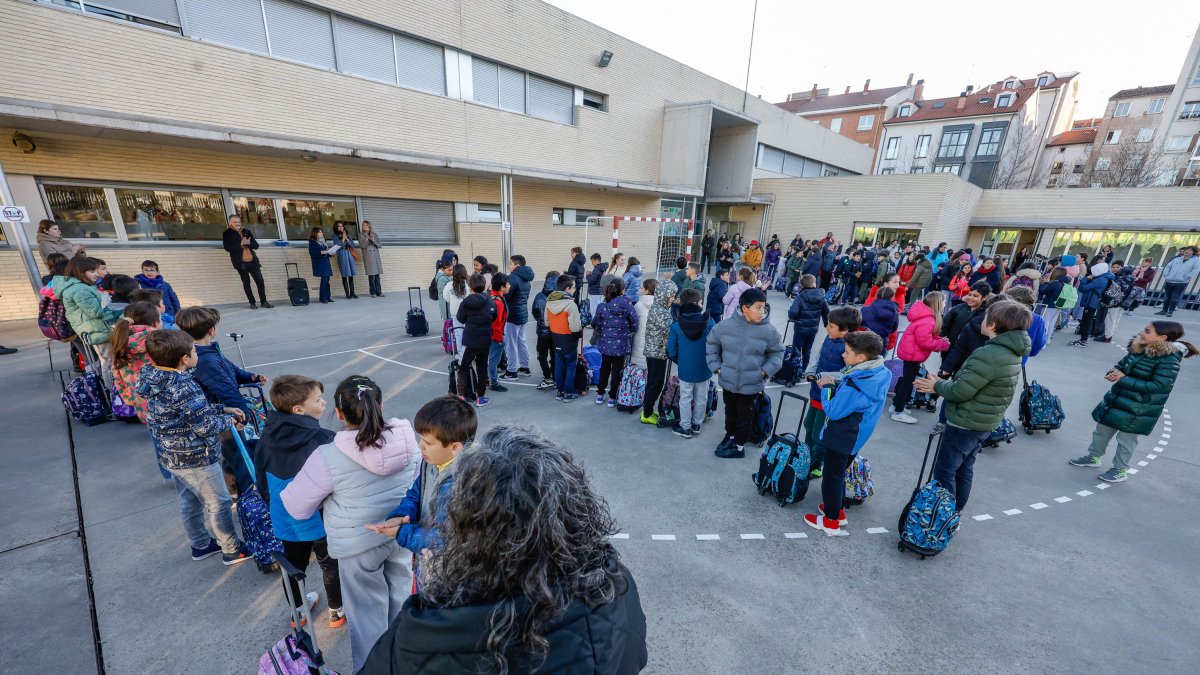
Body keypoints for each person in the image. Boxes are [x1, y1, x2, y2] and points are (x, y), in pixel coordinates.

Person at [361, 424, 648, 674]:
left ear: (468, 533)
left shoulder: (426, 632)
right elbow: (635, 654)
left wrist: (429, 573)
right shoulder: (615, 586)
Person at [280, 375, 419, 672]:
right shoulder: (409, 440)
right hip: (402, 535)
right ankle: (405, 661)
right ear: (379, 405)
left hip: (358, 545)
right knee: (402, 603)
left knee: (368, 617)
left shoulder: (328, 455)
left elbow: (296, 506)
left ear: (339, 412)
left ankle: (373, 669)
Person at [136, 329, 251, 566]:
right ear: (184, 359)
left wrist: (223, 409)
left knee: (189, 501)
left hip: (173, 455)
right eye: (193, 350)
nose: (197, 353)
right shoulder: (182, 386)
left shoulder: (157, 377)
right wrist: (229, 421)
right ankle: (232, 549)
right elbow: (204, 425)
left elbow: (189, 412)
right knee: (218, 503)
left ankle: (200, 544)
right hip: (197, 457)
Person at [915, 301, 1032, 513]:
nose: (981, 319)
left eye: (985, 316)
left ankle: (942, 517)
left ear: (994, 325)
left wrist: (937, 385)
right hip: (983, 421)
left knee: (945, 471)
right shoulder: (1011, 351)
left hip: (965, 422)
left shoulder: (989, 355)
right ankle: (954, 512)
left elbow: (961, 391)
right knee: (964, 469)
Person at [254, 375, 344, 628]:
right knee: (330, 564)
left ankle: (299, 611)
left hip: (286, 519)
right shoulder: (324, 440)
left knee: (293, 566)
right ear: (298, 409)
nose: (324, 403)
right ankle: (336, 610)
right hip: (320, 518)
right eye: (318, 400)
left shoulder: (266, 438)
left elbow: (260, 479)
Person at [366, 395, 476, 589]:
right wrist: (402, 516)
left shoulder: (462, 484)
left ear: (455, 448)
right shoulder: (433, 462)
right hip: (428, 560)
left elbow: (444, 538)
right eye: (420, 439)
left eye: (428, 442)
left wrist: (402, 532)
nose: (420, 446)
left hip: (451, 573)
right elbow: (416, 492)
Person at [1070, 321, 1198, 483]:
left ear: (1162, 337)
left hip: (1140, 409)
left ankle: (1120, 470)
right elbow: (1121, 366)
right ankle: (1093, 457)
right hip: (1117, 400)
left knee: (1126, 440)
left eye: (1147, 331)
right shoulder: (1138, 348)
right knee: (1101, 431)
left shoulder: (1169, 359)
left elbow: (1160, 385)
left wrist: (1124, 380)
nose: (1142, 333)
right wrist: (1113, 373)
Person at [804, 331, 889, 536]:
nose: (843, 355)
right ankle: (838, 510)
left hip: (842, 435)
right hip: (858, 434)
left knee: (831, 477)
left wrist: (826, 387)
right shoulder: (881, 372)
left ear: (861, 358)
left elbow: (833, 410)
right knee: (839, 472)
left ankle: (831, 521)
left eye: (848, 352)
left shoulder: (854, 385)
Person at [175, 306, 267, 491]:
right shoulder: (206, 360)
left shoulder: (208, 351)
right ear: (211, 330)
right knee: (235, 454)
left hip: (224, 411)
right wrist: (244, 416)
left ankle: (236, 486)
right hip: (224, 414)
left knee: (233, 453)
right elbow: (227, 391)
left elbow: (230, 369)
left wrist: (250, 377)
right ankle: (239, 490)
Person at [707, 289, 784, 458]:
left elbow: (778, 354)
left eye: (764, 308)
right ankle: (731, 436)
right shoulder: (724, 326)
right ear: (744, 308)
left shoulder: (769, 331)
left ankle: (739, 447)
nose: (762, 312)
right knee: (730, 412)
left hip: (751, 384)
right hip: (728, 381)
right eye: (758, 308)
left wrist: (763, 372)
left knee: (745, 415)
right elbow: (712, 345)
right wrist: (718, 368)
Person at [53, 256, 122, 384]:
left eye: (96, 271)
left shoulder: (81, 286)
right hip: (97, 331)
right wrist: (115, 308)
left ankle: (112, 391)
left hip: (96, 329)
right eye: (92, 271)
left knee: (107, 361)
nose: (96, 274)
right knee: (108, 363)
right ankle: (112, 393)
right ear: (79, 272)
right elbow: (95, 312)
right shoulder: (79, 289)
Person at [891, 293, 950, 425]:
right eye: (944, 302)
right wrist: (943, 344)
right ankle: (898, 411)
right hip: (913, 355)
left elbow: (927, 338)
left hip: (912, 353)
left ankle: (896, 405)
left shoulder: (925, 317)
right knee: (907, 383)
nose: (946, 304)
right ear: (938, 303)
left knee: (906, 380)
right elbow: (925, 342)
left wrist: (940, 340)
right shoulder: (929, 320)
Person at [667, 287, 715, 438]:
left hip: (686, 367)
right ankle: (696, 424)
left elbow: (671, 349)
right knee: (702, 397)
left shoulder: (676, 326)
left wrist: (680, 360)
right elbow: (715, 345)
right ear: (697, 303)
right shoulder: (710, 322)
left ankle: (685, 426)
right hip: (705, 366)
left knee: (685, 397)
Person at [109, 302, 161, 423]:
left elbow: (117, 376)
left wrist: (130, 398)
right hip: (167, 404)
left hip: (141, 407)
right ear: (155, 323)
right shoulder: (160, 341)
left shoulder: (120, 341)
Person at [592, 279, 638, 407]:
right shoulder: (627, 305)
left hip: (606, 343)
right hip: (621, 344)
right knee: (617, 370)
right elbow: (635, 323)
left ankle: (600, 394)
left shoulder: (602, 305)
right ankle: (613, 397)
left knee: (604, 368)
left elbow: (596, 323)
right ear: (622, 290)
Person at [455, 274, 495, 407]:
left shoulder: (466, 302)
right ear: (484, 285)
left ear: (470, 286)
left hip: (470, 340)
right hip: (485, 339)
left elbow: (460, 318)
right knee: (482, 367)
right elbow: (493, 316)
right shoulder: (490, 301)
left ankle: (461, 396)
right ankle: (481, 397)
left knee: (463, 367)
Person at [546, 274, 584, 402]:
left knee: (558, 363)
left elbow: (547, 322)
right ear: (567, 288)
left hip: (555, 336)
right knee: (570, 366)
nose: (575, 290)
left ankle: (560, 391)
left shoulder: (549, 301)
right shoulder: (570, 305)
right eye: (573, 287)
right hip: (568, 338)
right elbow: (574, 327)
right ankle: (568, 392)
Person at [222, 215, 272, 309]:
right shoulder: (227, 233)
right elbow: (227, 248)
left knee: (260, 281)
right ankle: (252, 303)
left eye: (239, 222)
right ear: (230, 223)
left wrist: (249, 243)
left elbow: (256, 246)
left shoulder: (246, 231)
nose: (237, 224)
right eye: (235, 222)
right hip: (241, 263)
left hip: (253, 261)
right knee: (246, 283)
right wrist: (240, 244)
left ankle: (264, 301)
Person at [498, 256, 534, 381]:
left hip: (512, 314)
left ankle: (511, 371)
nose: (509, 266)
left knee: (511, 343)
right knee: (521, 340)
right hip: (522, 313)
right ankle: (524, 367)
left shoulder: (513, 278)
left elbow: (507, 295)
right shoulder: (526, 278)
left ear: (516, 265)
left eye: (511, 264)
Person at [787, 274, 828, 373]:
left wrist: (792, 316)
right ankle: (804, 369)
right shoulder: (821, 296)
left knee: (796, 349)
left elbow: (793, 312)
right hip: (813, 329)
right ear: (814, 283)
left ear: (802, 285)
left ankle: (794, 369)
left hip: (800, 327)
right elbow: (826, 312)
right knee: (807, 349)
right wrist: (827, 324)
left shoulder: (800, 296)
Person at [1069, 262, 1115, 348]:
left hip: (1091, 302)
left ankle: (1083, 340)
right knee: (1086, 321)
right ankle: (1083, 339)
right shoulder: (1104, 278)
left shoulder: (1100, 280)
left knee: (1086, 322)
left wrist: (1086, 279)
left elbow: (1083, 288)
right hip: (1093, 301)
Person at [1003, 286, 1046, 365]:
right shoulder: (1038, 320)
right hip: (1020, 359)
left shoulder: (1003, 314)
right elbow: (1039, 343)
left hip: (998, 355)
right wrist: (1028, 353)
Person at [531, 271, 560, 390]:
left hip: (543, 332)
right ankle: (555, 376)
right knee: (555, 355)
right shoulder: (561, 296)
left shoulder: (539, 296)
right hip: (557, 332)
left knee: (541, 355)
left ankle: (547, 376)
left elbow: (535, 312)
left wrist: (541, 322)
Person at [1156, 246, 1199, 317]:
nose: (1187, 251)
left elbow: (1195, 270)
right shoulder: (1177, 259)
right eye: (1186, 250)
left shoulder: (1196, 260)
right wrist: (1166, 275)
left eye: (1190, 250)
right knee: (1167, 297)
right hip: (1170, 281)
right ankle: (1164, 310)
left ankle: (1170, 311)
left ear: (1193, 252)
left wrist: (1185, 277)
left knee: (1175, 297)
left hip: (1181, 282)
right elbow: (1168, 266)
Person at [486, 273, 510, 393]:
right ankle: (494, 382)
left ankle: (486, 379)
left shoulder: (491, 296)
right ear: (502, 287)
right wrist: (500, 339)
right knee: (493, 361)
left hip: (486, 334)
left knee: (488, 359)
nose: (510, 286)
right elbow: (496, 324)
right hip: (495, 336)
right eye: (508, 284)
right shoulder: (499, 303)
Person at [443, 264, 470, 359]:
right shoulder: (468, 285)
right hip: (468, 312)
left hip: (455, 312)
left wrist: (453, 300)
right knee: (468, 332)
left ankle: (460, 353)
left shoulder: (449, 285)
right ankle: (469, 351)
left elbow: (446, 297)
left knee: (458, 332)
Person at [308, 227, 335, 304]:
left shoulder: (323, 241)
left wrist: (331, 254)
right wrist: (321, 252)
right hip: (320, 264)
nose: (321, 233)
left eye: (322, 232)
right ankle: (323, 298)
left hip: (326, 263)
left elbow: (326, 252)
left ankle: (327, 297)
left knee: (327, 281)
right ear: (315, 233)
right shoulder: (312, 242)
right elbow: (313, 254)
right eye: (320, 232)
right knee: (324, 280)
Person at [332, 221, 359, 299]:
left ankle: (353, 292)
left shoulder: (347, 234)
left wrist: (347, 239)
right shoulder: (335, 235)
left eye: (342, 226)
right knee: (344, 274)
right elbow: (337, 246)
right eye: (339, 226)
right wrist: (343, 240)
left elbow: (353, 245)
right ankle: (347, 294)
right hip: (342, 254)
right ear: (336, 228)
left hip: (349, 253)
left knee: (351, 274)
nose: (341, 227)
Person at [359, 220, 384, 297]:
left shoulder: (374, 234)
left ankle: (379, 292)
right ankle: (373, 292)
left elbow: (380, 245)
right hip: (368, 257)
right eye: (363, 225)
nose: (364, 226)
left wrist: (373, 240)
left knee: (377, 275)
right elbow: (363, 246)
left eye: (366, 225)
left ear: (369, 226)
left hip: (375, 256)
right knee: (371, 275)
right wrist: (366, 239)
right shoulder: (360, 235)